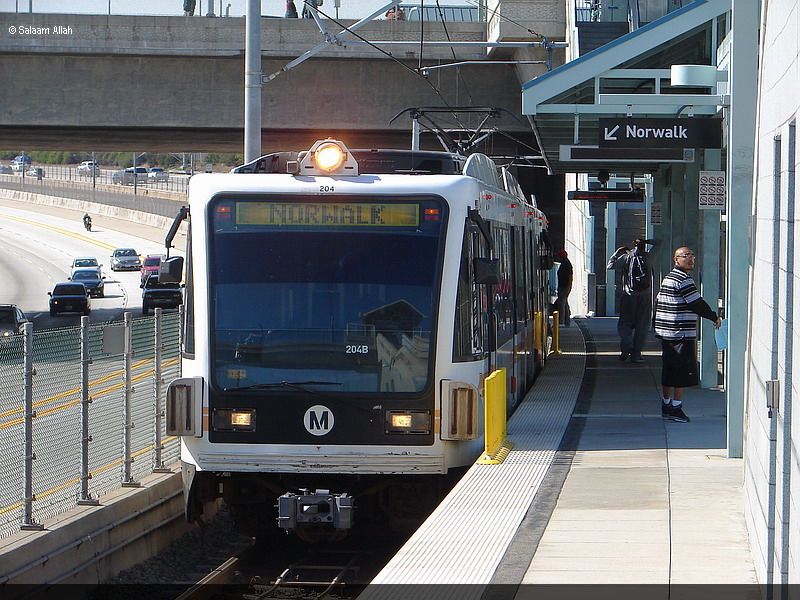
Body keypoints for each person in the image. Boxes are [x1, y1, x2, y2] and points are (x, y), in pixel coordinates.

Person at [653, 246, 721, 423]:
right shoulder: (684, 280)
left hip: (666, 333)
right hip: (680, 333)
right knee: (681, 372)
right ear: (676, 260)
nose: (690, 259)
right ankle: (676, 408)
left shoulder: (668, 278)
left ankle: (666, 405)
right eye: (685, 256)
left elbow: (658, 302)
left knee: (669, 370)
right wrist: (713, 317)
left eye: (692, 256)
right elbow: (696, 303)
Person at [606, 238, 654, 362]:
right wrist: (647, 241)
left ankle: (626, 345)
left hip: (628, 295)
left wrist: (617, 253)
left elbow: (610, 266)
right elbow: (660, 242)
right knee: (642, 326)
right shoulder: (650, 257)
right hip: (645, 296)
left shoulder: (626, 257)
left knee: (625, 323)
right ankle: (636, 355)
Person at [555, 249, 573, 327]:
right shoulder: (565, 263)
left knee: (561, 304)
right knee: (564, 304)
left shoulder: (566, 265)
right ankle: (566, 321)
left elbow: (570, 277)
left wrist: (568, 288)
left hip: (564, 287)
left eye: (559, 256)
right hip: (563, 287)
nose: (558, 258)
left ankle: (561, 321)